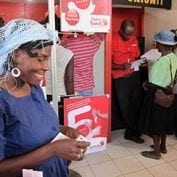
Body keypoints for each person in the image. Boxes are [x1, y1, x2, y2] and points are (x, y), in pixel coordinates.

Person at [0, 19, 90, 177]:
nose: (46, 67)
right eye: (40, 59)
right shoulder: (3, 102)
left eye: (47, 59)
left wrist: (65, 130)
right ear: (15, 54)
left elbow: (36, 124)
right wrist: (53, 150)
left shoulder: (33, 88)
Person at [139, 30, 177, 160]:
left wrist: (146, 83)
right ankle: (163, 146)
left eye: (158, 43)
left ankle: (156, 152)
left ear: (164, 45)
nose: (156, 46)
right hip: (168, 93)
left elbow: (153, 81)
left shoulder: (161, 61)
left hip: (157, 95)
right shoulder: (173, 57)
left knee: (156, 124)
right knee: (164, 121)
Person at [112, 19, 144, 143]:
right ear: (120, 30)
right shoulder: (112, 40)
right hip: (121, 79)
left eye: (131, 34)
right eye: (127, 34)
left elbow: (136, 54)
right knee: (125, 107)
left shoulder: (133, 39)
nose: (129, 37)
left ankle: (134, 131)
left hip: (134, 75)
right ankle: (132, 132)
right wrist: (121, 66)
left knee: (136, 105)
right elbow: (107, 62)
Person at [62, 31, 104, 96]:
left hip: (72, 89)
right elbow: (103, 32)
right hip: (88, 87)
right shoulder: (92, 42)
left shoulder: (65, 44)